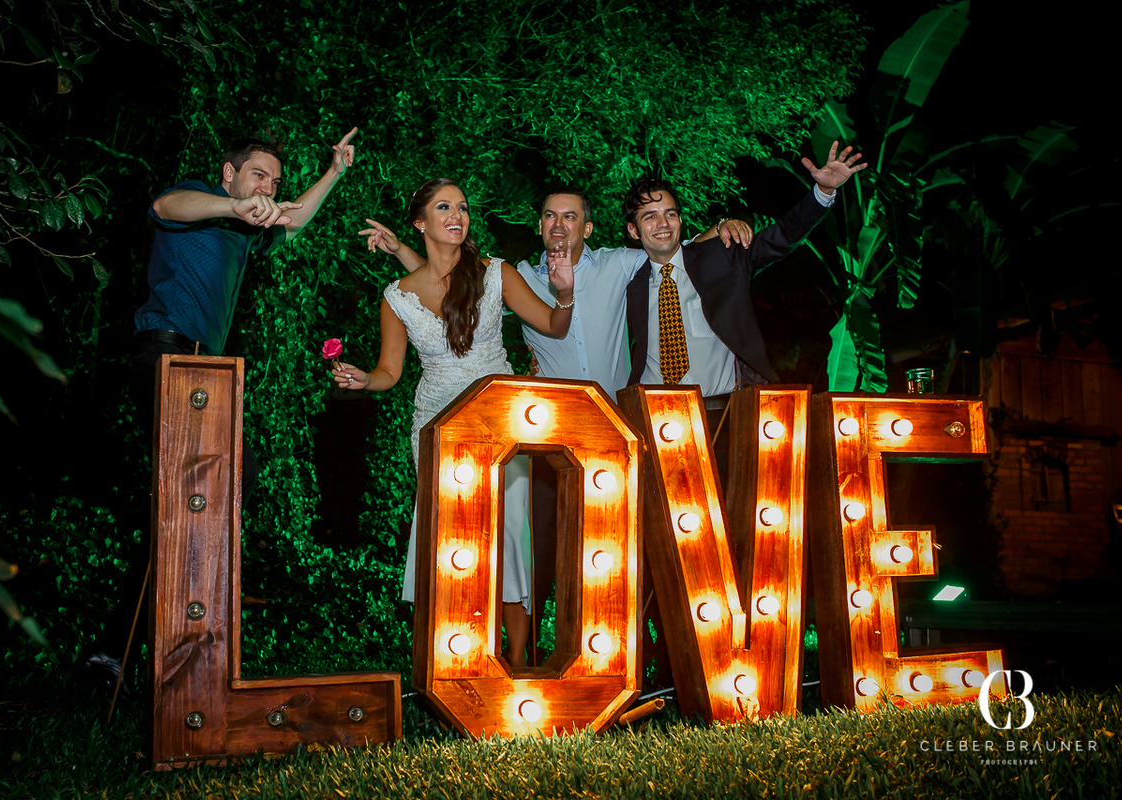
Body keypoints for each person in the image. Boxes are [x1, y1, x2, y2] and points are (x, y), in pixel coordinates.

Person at [359, 190, 753, 661]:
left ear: (588, 227)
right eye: (550, 216)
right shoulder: (520, 274)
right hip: (534, 433)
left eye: (571, 216)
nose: (560, 225)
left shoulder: (616, 264)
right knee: (521, 548)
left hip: (605, 430)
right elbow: (445, 290)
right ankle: (497, 659)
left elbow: (668, 245)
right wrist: (404, 252)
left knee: (616, 549)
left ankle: (627, 656)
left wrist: (720, 228)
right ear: (540, 226)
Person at [333, 178, 575, 669]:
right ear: (420, 223)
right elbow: (390, 371)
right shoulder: (397, 297)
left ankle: (518, 659)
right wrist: (364, 379)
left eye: (462, 207)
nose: (457, 215)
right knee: (450, 539)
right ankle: (455, 659)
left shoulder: (496, 274)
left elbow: (554, 324)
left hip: (501, 418)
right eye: (444, 207)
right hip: (437, 425)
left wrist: (566, 293)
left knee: (509, 533)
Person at [130, 127, 359, 496]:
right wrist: (231, 206)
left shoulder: (245, 230)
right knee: (213, 472)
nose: (267, 189)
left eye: (275, 182)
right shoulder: (202, 200)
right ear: (229, 173)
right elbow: (165, 206)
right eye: (259, 175)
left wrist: (334, 172)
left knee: (232, 474)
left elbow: (292, 225)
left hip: (204, 365)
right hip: (165, 353)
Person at [624, 141, 867, 393]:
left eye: (670, 214)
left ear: (680, 220)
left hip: (722, 407)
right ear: (633, 230)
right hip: (652, 408)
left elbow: (781, 236)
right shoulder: (626, 283)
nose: (663, 223)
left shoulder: (720, 258)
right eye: (650, 216)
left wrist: (823, 192)